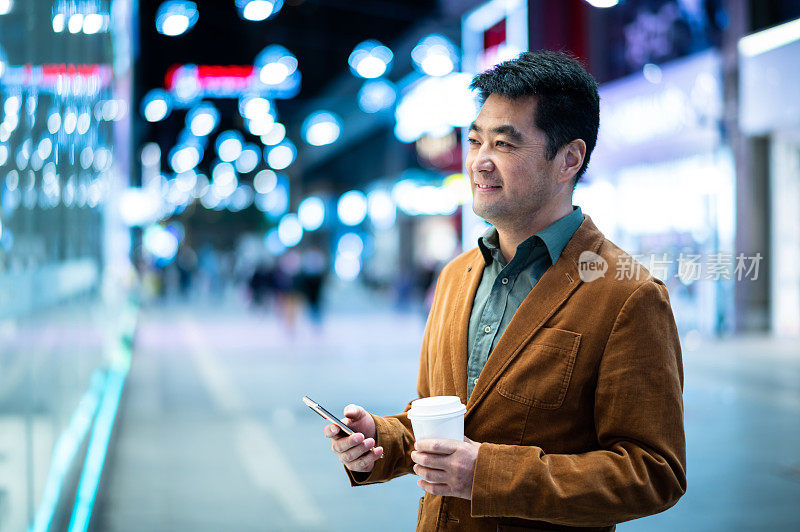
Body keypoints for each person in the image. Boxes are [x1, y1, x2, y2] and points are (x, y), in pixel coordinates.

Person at [323, 51, 686, 531]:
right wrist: (381, 441)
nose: (479, 161)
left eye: (505, 145)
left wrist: (488, 474)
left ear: (569, 159)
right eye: (475, 140)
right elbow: (445, 416)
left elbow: (652, 471)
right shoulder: (456, 276)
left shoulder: (627, 295)